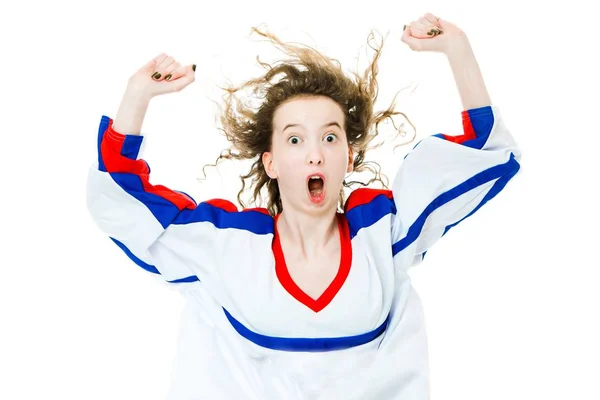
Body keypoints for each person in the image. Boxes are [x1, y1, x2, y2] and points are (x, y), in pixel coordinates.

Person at [86, 13, 522, 400]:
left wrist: (457, 49)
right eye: (295, 139)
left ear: (348, 158)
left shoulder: (382, 236)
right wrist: (136, 97)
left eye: (329, 137)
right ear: (271, 163)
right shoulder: (230, 247)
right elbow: (119, 201)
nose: (315, 152)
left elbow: (483, 153)